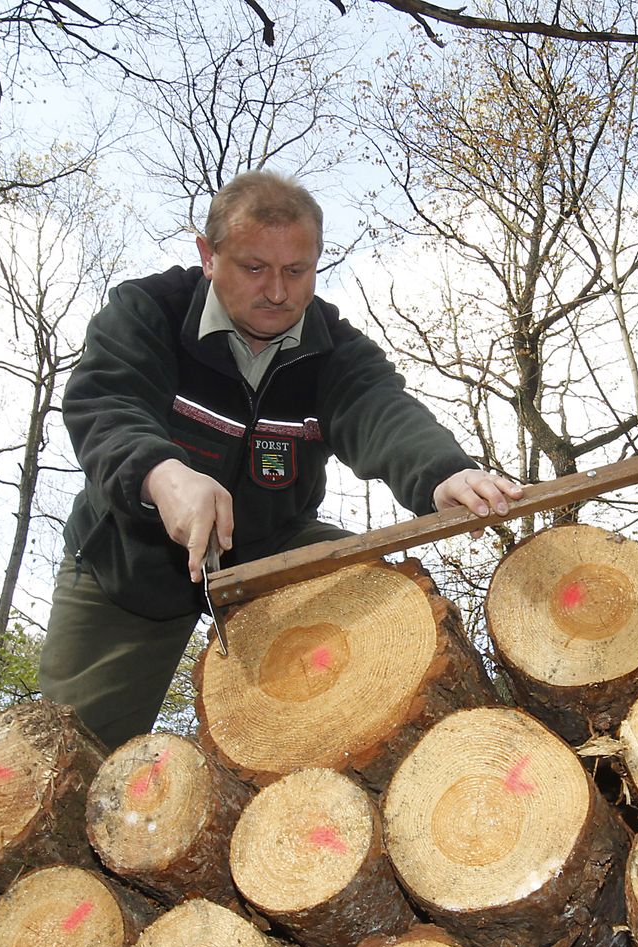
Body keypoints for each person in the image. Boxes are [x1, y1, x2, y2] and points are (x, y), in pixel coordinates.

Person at [39, 170, 522, 749]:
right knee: (76, 750)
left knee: (365, 594)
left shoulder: (335, 349)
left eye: (297, 272)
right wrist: (163, 477)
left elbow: (379, 410)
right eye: (254, 268)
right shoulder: (149, 312)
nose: (277, 292)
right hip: (129, 560)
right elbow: (108, 403)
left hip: (267, 551)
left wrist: (444, 473)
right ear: (208, 255)